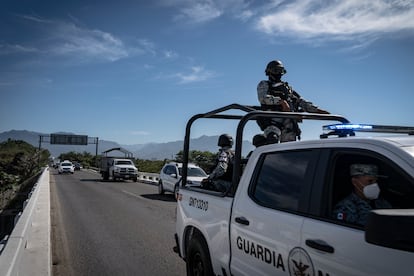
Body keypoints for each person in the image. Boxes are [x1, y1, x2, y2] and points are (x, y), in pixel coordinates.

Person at [257, 60, 329, 143]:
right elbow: (263, 98)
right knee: (272, 140)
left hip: (289, 123)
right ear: (269, 72)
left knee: (288, 149)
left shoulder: (287, 89)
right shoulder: (264, 84)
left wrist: (319, 111)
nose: (278, 73)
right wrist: (281, 102)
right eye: (276, 70)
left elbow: (301, 102)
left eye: (280, 71)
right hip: (273, 122)